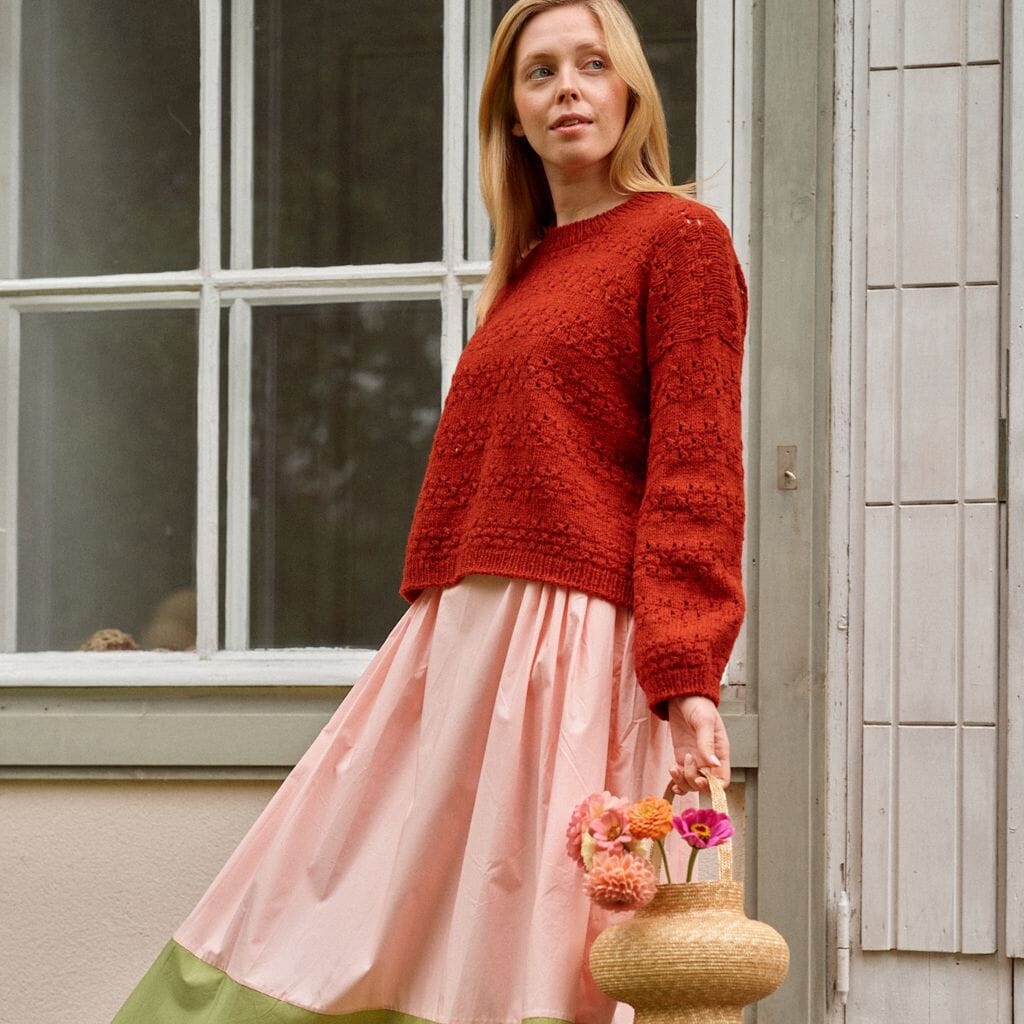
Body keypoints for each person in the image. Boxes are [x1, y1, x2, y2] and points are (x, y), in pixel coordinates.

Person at [111, 1, 746, 1021]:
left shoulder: (678, 239)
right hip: (461, 642)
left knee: (527, 933)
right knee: (344, 895)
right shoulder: (528, 270)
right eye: (540, 74)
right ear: (513, 118)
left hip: (569, 649)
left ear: (630, 91)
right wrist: (436, 632)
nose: (569, 89)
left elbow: (697, 470)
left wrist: (687, 673)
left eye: (592, 64)